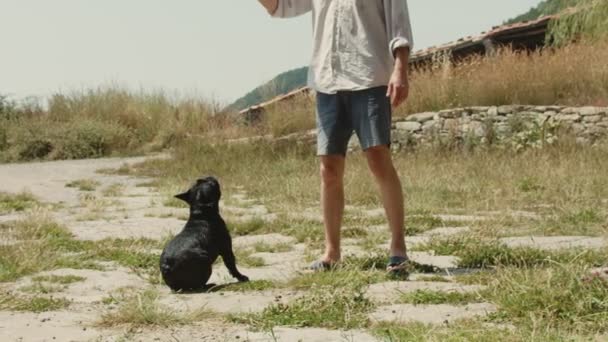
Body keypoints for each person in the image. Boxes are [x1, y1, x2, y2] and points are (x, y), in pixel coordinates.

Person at [257, 0, 414, 275]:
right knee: (328, 170)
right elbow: (281, 7)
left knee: (378, 159)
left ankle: (398, 249)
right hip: (327, 82)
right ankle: (332, 253)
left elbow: (398, 23)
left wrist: (400, 68)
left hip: (370, 76)